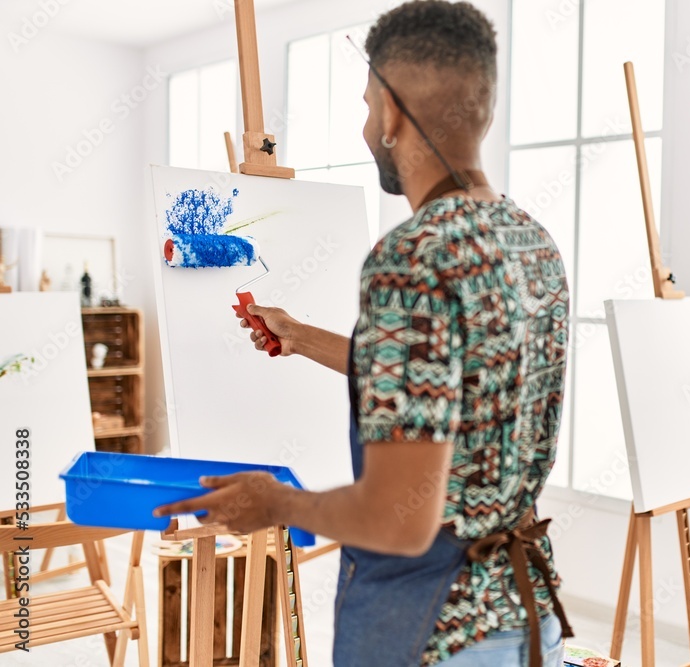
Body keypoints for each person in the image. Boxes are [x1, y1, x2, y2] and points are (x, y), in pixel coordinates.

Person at [155, 2, 571, 665]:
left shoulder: (413, 255)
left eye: (366, 104)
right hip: (526, 620)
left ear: (393, 115)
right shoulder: (532, 242)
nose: (365, 124)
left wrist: (277, 501)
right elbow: (440, 381)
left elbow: (397, 520)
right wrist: (303, 336)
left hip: (434, 632)